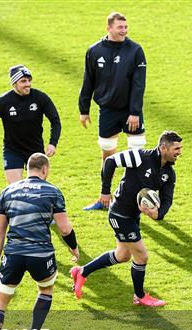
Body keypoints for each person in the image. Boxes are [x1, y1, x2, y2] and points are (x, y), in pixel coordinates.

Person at [0, 153, 79, 330]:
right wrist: (74, 248)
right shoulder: (53, 191)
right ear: (44, 170)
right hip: (41, 255)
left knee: (1, 298)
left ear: (27, 169)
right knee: (45, 290)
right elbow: (64, 227)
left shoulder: (7, 191)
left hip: (13, 254)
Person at [70, 131, 183, 307]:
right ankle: (139, 296)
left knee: (122, 255)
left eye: (180, 148)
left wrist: (157, 215)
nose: (179, 152)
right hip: (120, 214)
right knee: (141, 256)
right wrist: (105, 191)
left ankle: (82, 271)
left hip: (132, 216)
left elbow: (167, 199)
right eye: (176, 148)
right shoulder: (139, 157)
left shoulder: (169, 174)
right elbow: (110, 162)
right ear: (163, 148)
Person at [79, 12, 147, 211]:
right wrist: (84, 109)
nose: (124, 31)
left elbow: (138, 84)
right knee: (107, 155)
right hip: (107, 110)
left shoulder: (135, 50)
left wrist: (134, 112)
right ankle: (104, 198)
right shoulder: (94, 51)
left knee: (136, 153)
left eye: (126, 27)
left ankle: (135, 199)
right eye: (120, 27)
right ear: (108, 28)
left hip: (130, 111)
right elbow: (88, 81)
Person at [0, 65, 61, 184]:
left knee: (36, 189)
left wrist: (53, 143)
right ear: (14, 83)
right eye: (23, 81)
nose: (27, 84)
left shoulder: (40, 98)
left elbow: (55, 120)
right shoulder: (2, 102)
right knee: (16, 190)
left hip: (35, 150)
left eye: (29, 80)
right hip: (13, 150)